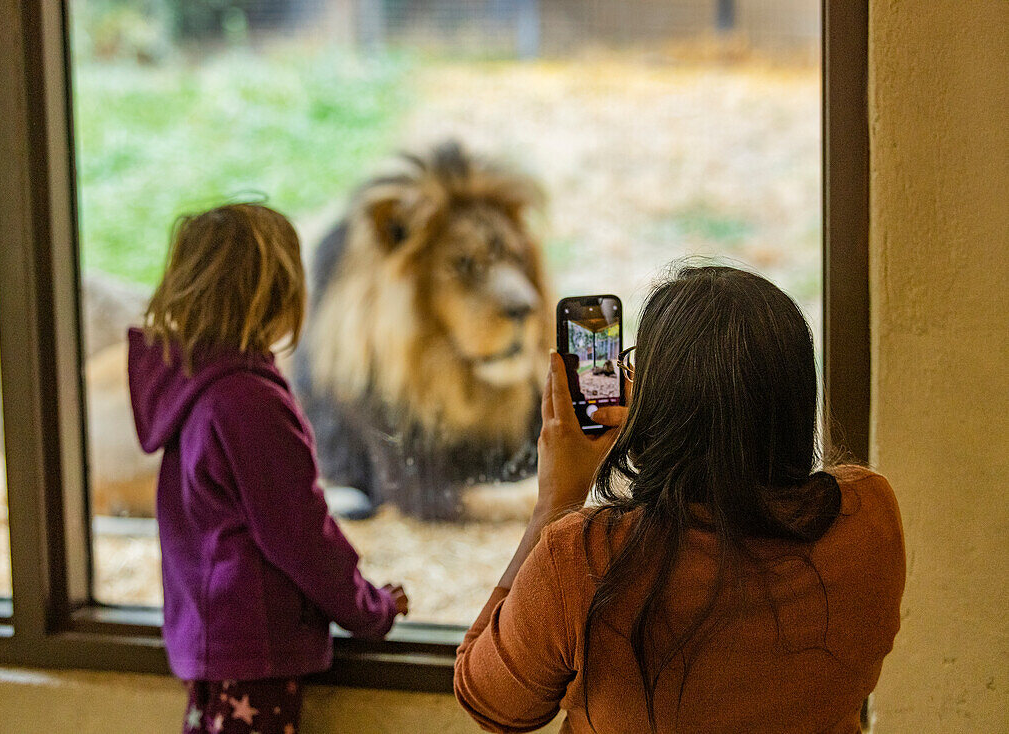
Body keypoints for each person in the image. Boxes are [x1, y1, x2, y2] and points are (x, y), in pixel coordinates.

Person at [454, 264, 905, 733]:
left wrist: (555, 500)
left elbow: (491, 704)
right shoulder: (867, 511)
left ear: (656, 404)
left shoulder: (582, 558)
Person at [128, 203, 408, 734]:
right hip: (251, 651)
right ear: (280, 292)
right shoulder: (247, 401)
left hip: (214, 641)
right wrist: (368, 609)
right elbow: (300, 533)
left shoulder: (193, 385)